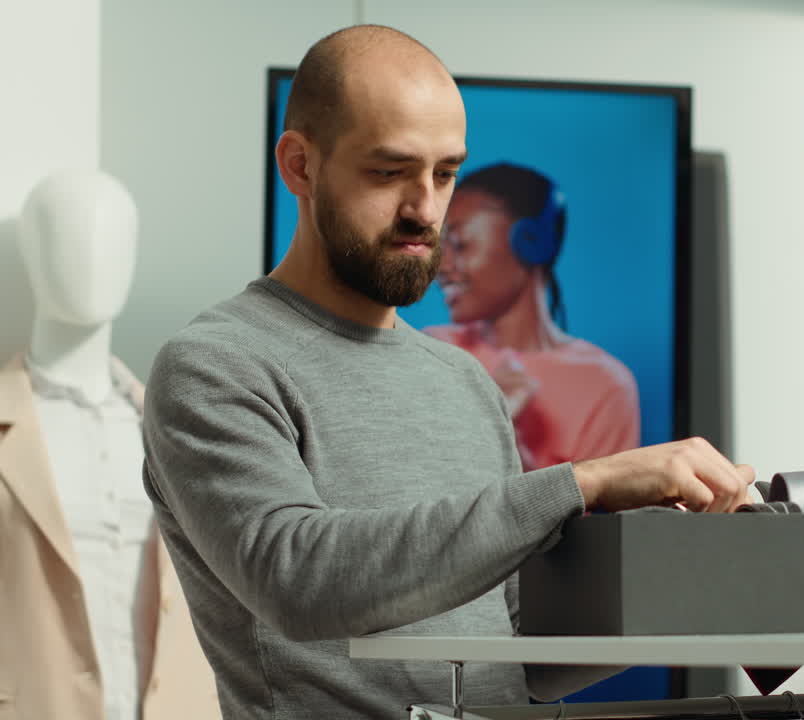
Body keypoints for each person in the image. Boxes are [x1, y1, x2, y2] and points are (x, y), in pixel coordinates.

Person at [141, 24, 753, 719]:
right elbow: (300, 581)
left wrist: (683, 572)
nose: (425, 210)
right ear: (299, 166)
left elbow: (519, 652)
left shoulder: (465, 383)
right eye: (389, 171)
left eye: (444, 172)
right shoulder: (216, 365)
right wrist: (581, 484)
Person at [1, 169, 216, 719]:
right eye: (62, 236)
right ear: (29, 250)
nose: (91, 258)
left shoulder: (183, 433)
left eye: (112, 239)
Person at [428, 163, 641, 471]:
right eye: (441, 246)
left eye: (460, 245)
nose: (441, 268)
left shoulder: (606, 385)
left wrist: (515, 459)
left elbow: (599, 517)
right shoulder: (434, 350)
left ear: (531, 244)